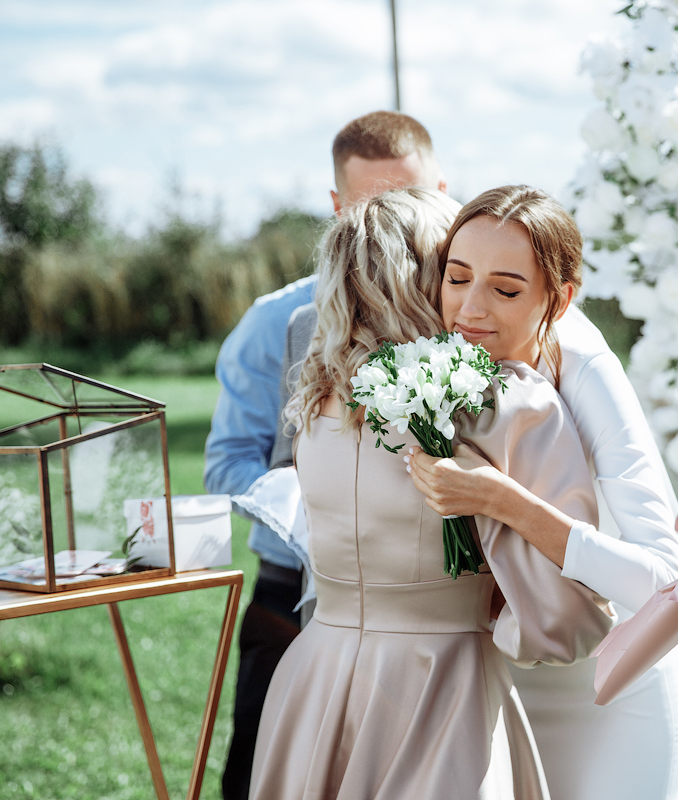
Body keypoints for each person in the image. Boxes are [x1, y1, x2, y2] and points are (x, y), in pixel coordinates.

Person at [248, 186, 613, 799]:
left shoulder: (317, 400)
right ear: (428, 277)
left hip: (314, 679)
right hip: (444, 689)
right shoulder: (498, 403)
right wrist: (493, 615)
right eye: (454, 270)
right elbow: (570, 620)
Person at [406, 185, 678, 800]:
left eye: (505, 290)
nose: (470, 310)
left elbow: (668, 582)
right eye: (456, 278)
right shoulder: (431, 366)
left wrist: (504, 502)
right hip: (507, 682)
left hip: (618, 683)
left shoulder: (583, 368)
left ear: (558, 300)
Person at [203, 109, 446, 800]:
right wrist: (326, 511)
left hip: (431, 610)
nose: (394, 224)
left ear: (444, 190)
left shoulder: (467, 312)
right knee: (267, 775)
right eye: (374, 206)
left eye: (414, 199)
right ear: (338, 209)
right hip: (297, 594)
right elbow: (228, 464)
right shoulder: (279, 323)